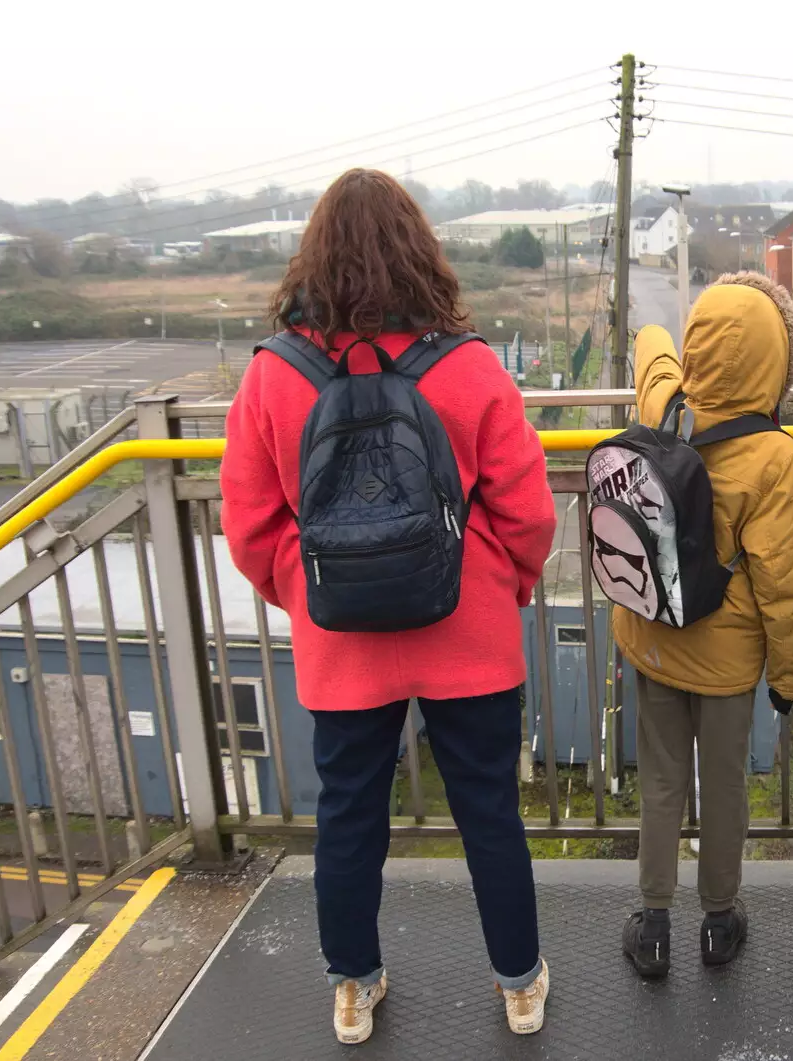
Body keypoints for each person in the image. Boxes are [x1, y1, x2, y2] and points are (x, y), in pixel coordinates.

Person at [220, 169, 557, 1043]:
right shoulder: (472, 366)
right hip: (469, 629)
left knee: (349, 817)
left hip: (342, 644)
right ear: (422, 253)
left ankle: (352, 986)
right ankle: (520, 985)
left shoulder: (273, 376)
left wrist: (309, 593)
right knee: (489, 811)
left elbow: (252, 529)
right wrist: (503, 586)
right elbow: (528, 515)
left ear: (315, 257)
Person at [617, 273, 793, 978]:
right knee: (723, 787)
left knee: (662, 781)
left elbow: (652, 350)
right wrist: (789, 679)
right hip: (728, 665)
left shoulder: (665, 405)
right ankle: (720, 923)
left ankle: (654, 925)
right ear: (775, 361)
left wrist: (667, 332)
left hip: (652, 635)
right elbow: (784, 587)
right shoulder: (777, 458)